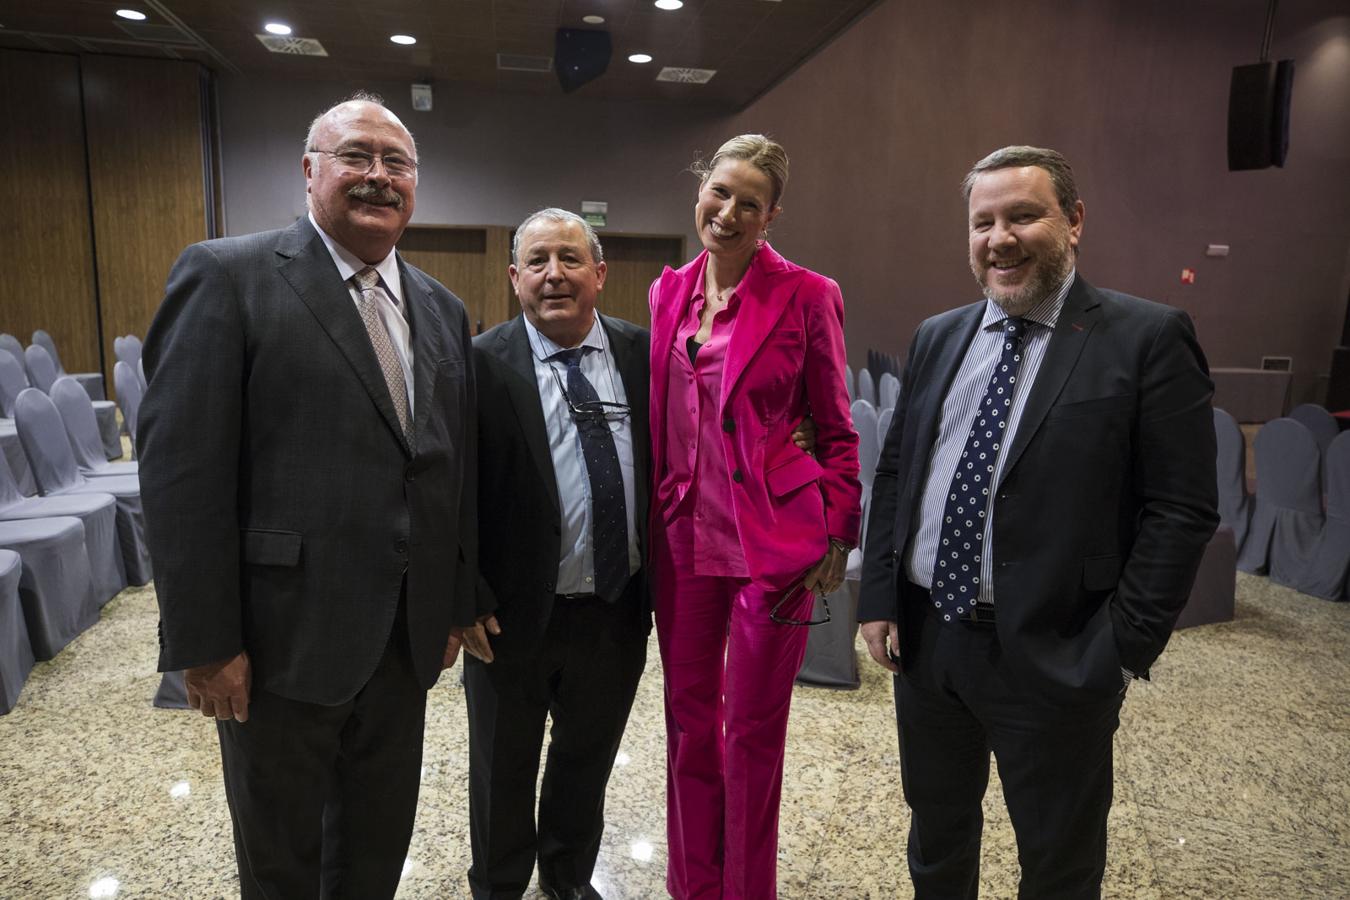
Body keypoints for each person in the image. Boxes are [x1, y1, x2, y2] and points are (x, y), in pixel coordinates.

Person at [137, 93, 484, 898]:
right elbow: (181, 475)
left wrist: (448, 607)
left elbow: (447, 472)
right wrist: (204, 640)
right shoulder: (227, 276)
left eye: (396, 162)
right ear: (309, 171)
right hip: (277, 646)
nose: (378, 176)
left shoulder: (441, 307)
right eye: (356, 156)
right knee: (282, 861)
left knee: (373, 854)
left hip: (403, 646)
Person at [859, 145, 1219, 898]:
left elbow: (1181, 508)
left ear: (1074, 221)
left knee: (1058, 863)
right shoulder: (939, 335)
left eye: (1023, 215)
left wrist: (1120, 648)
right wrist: (881, 601)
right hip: (932, 643)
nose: (1000, 238)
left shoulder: (1146, 337)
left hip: (1060, 652)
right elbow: (898, 473)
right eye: (983, 222)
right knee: (936, 838)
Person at [648, 134, 862, 899]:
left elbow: (836, 425)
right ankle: (691, 886)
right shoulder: (667, 289)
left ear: (771, 216)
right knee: (687, 723)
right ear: (700, 192)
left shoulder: (808, 295)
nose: (728, 213)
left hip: (771, 543)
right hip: (682, 539)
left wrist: (839, 530)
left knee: (752, 735)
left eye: (749, 203)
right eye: (720, 193)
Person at [465, 208, 651, 900]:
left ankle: (567, 879)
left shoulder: (643, 357)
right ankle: (500, 885)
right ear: (514, 279)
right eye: (537, 261)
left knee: (586, 762)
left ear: (600, 274)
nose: (554, 275)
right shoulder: (481, 363)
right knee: (501, 768)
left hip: (615, 609)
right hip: (508, 618)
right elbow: (455, 497)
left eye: (570, 259)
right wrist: (465, 598)